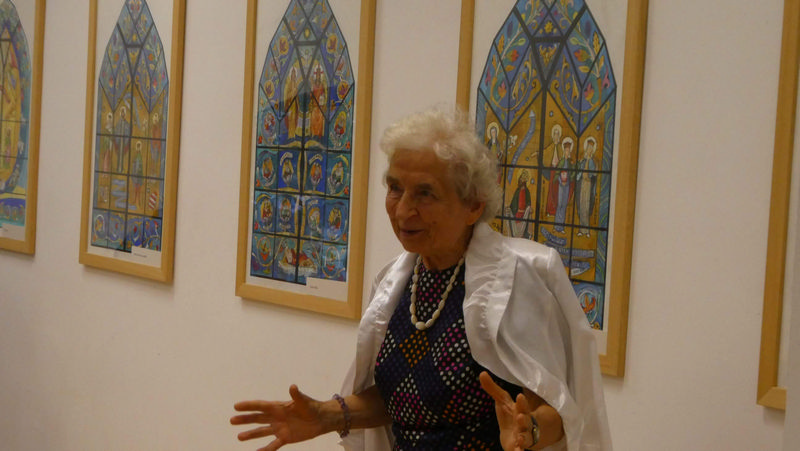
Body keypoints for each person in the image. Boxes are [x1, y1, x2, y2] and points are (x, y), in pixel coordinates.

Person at [231, 107, 612, 451]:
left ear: (473, 206)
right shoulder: (397, 281)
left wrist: (531, 430)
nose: (403, 210)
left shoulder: (519, 277)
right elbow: (403, 398)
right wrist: (327, 415)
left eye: (425, 194)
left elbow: (557, 407)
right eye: (395, 188)